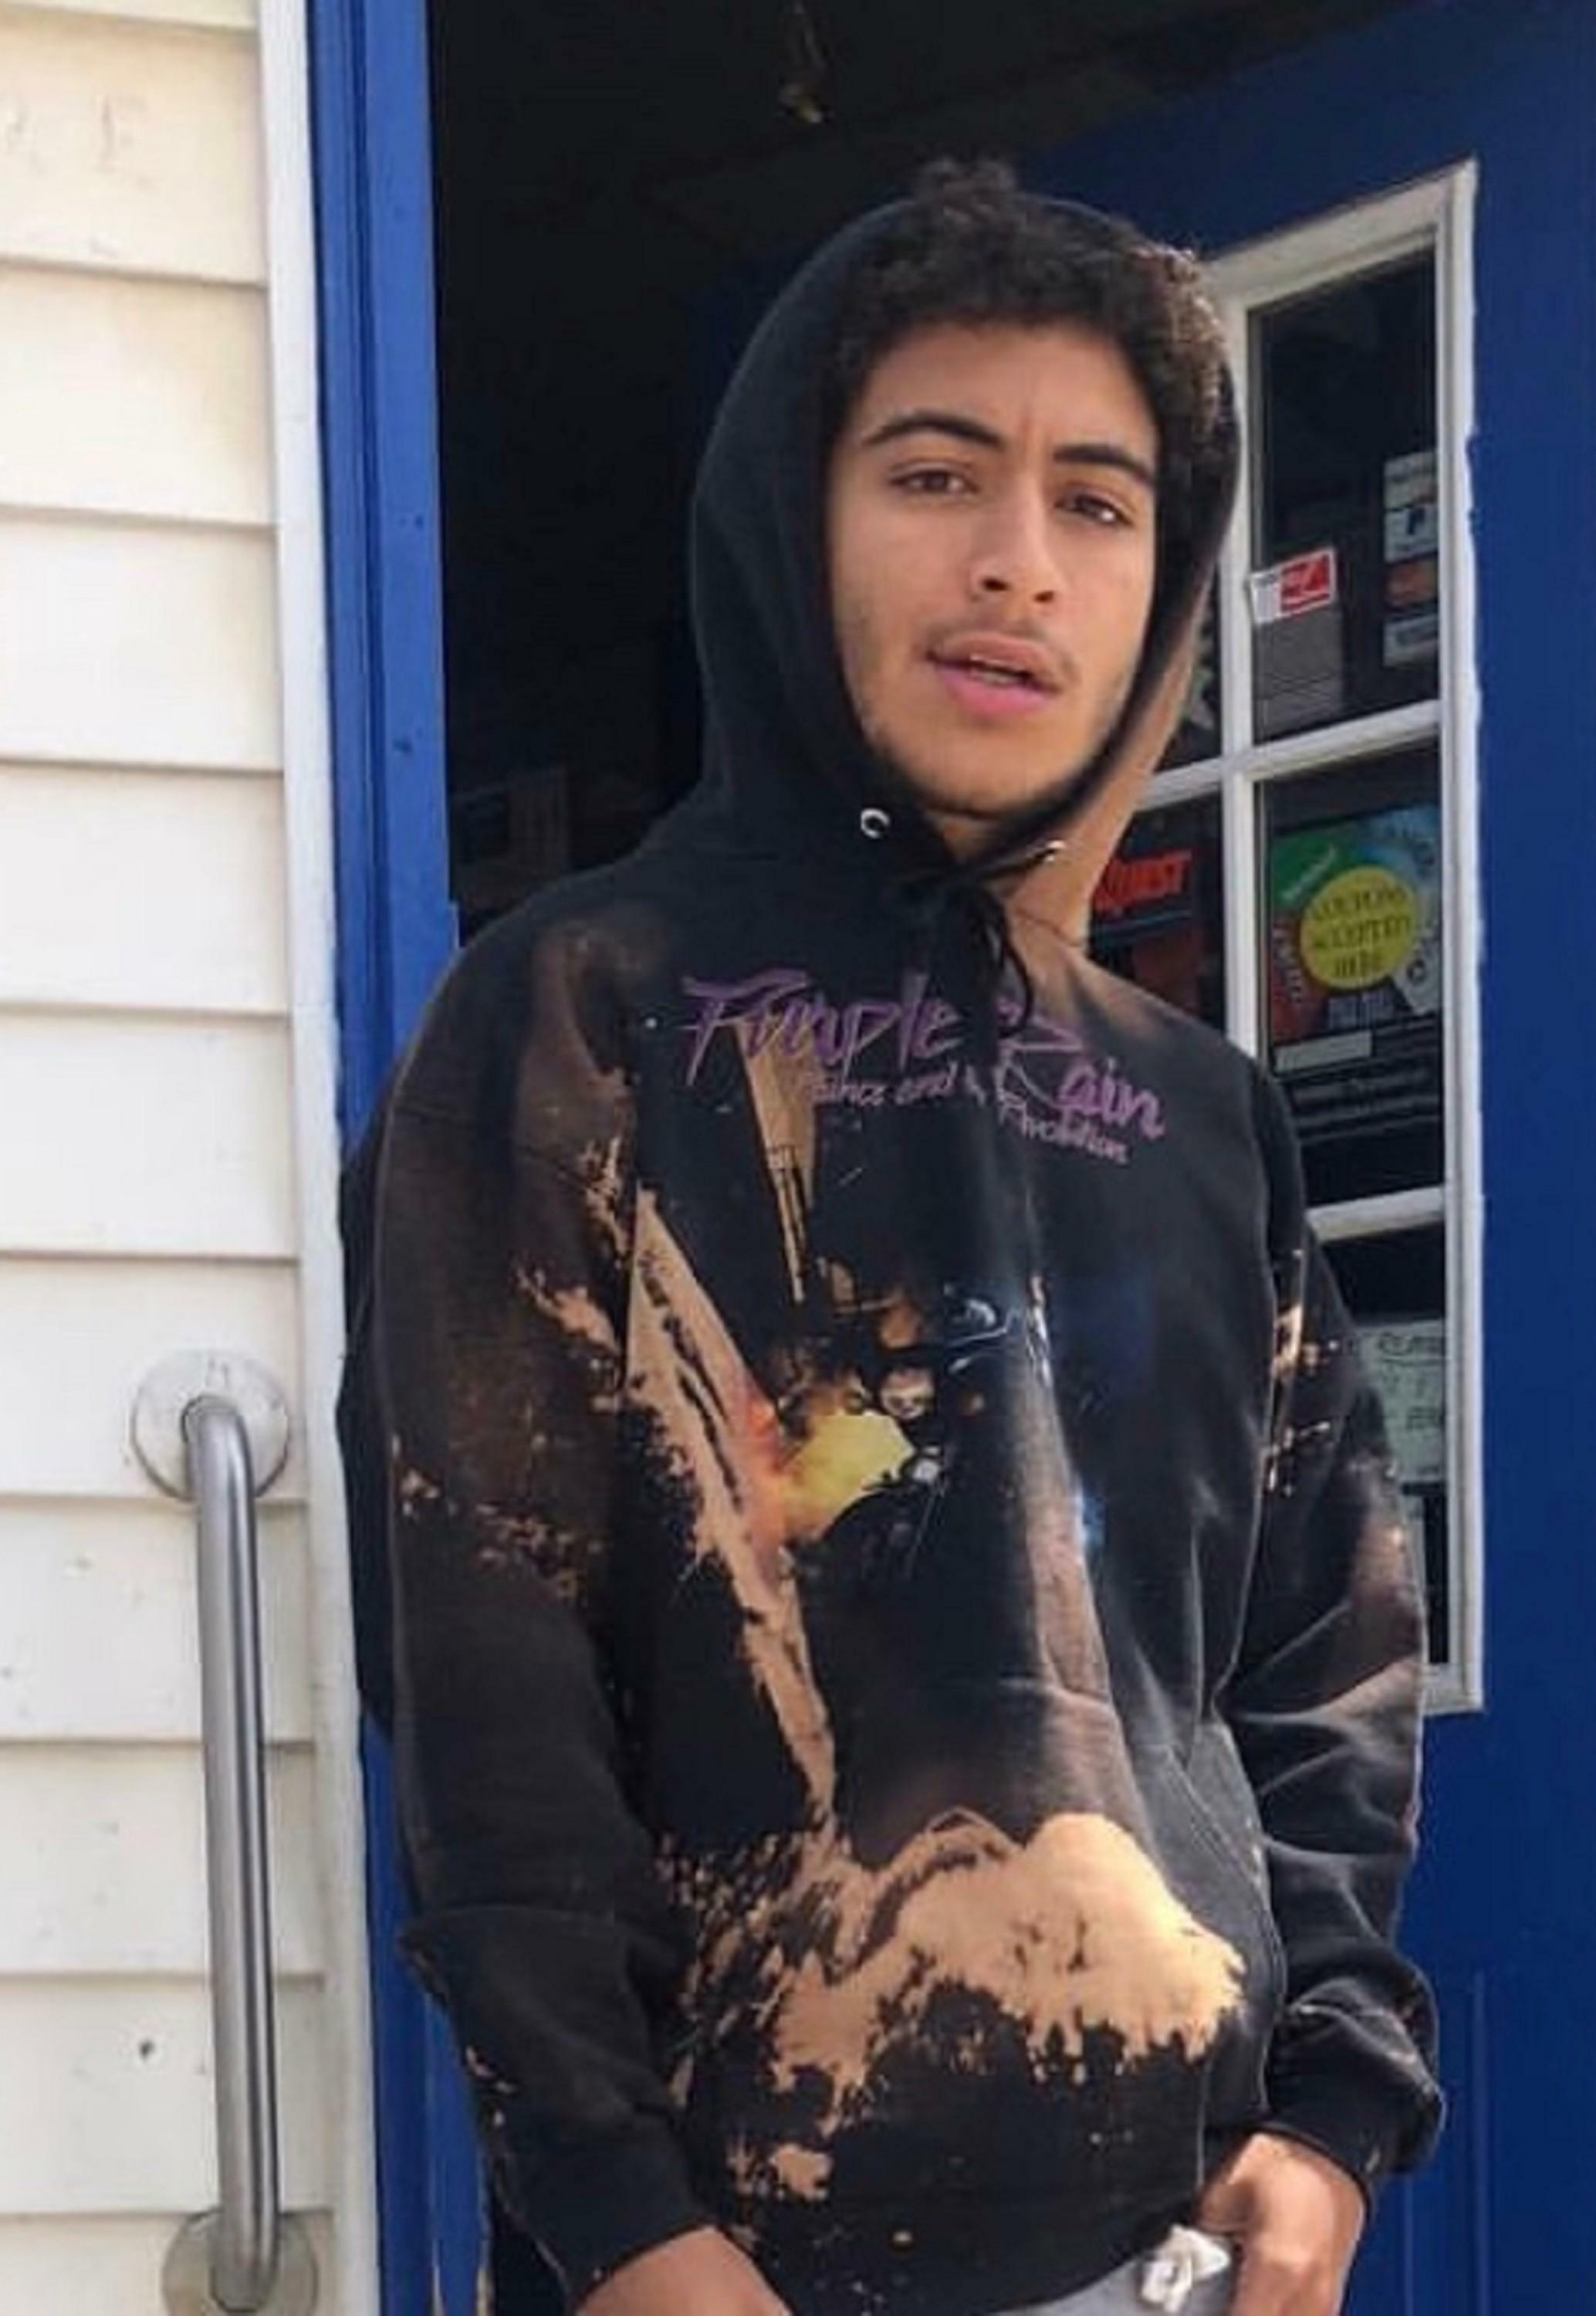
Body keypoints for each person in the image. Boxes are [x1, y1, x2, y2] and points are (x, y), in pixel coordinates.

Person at [340, 160, 1440, 2316]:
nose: (1018, 561)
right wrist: (622, 2221)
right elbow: (487, 1682)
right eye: (937, 473)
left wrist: (1335, 2115)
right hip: (719, 2265)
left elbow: (1327, 1646)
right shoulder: (580, 1014)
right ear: (793, 515)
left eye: (1098, 501)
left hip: (1179, 2260)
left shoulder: (1201, 1106)